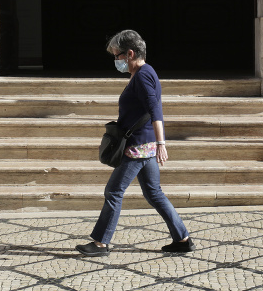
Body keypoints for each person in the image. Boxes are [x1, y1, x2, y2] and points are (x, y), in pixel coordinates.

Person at [75, 29, 194, 257]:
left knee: (114, 191)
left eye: (117, 55)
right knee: (154, 193)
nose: (116, 60)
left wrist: (162, 142)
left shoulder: (142, 75)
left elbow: (155, 110)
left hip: (139, 146)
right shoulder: (144, 72)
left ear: (130, 53)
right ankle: (182, 239)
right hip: (144, 144)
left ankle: (100, 243)